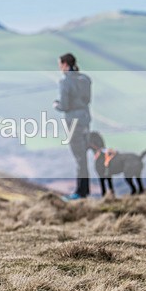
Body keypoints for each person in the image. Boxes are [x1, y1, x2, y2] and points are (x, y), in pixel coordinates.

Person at [53, 52, 92, 200]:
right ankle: (84, 190)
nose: (60, 68)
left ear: (65, 64)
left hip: (73, 122)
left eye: (60, 65)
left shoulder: (65, 82)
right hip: (85, 119)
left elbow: (64, 105)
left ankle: (80, 193)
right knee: (83, 157)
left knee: (79, 157)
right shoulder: (86, 80)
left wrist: (56, 105)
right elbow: (87, 100)